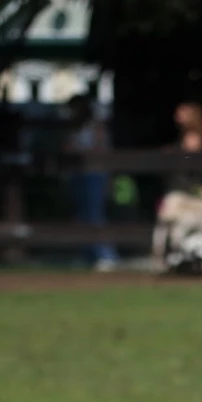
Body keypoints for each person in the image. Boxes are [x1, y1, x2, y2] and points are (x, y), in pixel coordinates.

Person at [64, 93, 117, 271]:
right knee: (82, 215)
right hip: (78, 174)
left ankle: (106, 255)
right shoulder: (75, 128)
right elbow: (68, 148)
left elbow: (99, 148)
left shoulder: (96, 126)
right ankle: (88, 255)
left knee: (95, 214)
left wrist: (80, 150)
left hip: (95, 174)